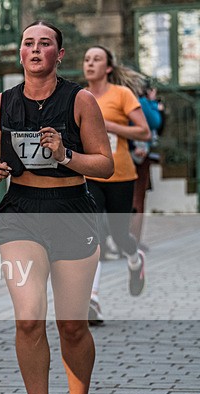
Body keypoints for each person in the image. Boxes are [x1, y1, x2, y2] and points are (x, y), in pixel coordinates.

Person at [0, 21, 114, 394]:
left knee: (71, 324)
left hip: (71, 211)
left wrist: (64, 155)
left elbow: (105, 165)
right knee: (28, 318)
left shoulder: (80, 100)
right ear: (20, 53)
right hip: (21, 213)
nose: (36, 50)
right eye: (28, 43)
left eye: (45, 43)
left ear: (59, 54)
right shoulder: (2, 103)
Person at [83, 45, 151, 324]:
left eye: (96, 59)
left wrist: (110, 126)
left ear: (108, 67)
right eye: (87, 59)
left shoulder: (121, 94)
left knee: (120, 236)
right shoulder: (80, 97)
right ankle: (93, 300)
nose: (90, 64)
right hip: (90, 175)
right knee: (95, 234)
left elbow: (144, 132)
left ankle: (135, 260)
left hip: (121, 175)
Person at [130, 81, 163, 244]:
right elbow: (155, 122)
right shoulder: (141, 102)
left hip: (123, 152)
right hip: (138, 154)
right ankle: (133, 240)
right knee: (137, 197)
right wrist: (154, 103)